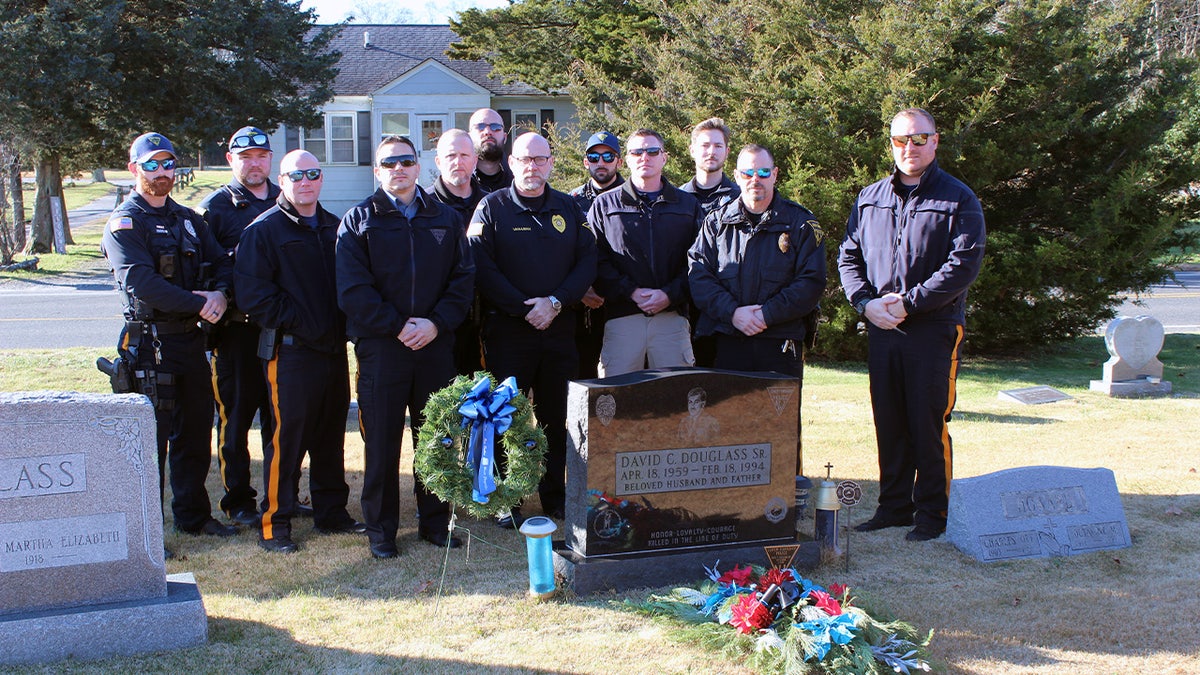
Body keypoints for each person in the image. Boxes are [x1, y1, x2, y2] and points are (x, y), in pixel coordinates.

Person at [837, 108, 986, 542]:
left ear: (935, 141)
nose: (910, 148)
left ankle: (933, 514)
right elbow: (849, 258)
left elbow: (963, 264)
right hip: (882, 326)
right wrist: (865, 304)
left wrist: (909, 303)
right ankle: (894, 506)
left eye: (919, 139)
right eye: (901, 140)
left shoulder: (958, 198)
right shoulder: (870, 197)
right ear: (891, 145)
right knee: (889, 419)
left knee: (927, 421)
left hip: (933, 326)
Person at [337, 135, 475, 558]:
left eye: (406, 161)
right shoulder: (359, 220)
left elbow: (463, 280)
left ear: (419, 167)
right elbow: (353, 291)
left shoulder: (446, 218)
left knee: (436, 439)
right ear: (377, 171)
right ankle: (381, 531)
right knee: (381, 443)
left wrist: (434, 324)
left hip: (434, 346)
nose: (399, 169)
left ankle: (434, 523)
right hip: (384, 349)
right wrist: (398, 327)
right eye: (389, 163)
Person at [101, 132, 238, 548]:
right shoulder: (125, 222)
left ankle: (193, 517)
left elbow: (223, 264)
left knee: (196, 433)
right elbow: (141, 283)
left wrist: (221, 295)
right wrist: (199, 303)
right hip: (148, 346)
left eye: (168, 164)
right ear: (134, 169)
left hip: (190, 345)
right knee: (150, 442)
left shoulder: (190, 221)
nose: (161, 173)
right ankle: (146, 532)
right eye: (151, 165)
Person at [235, 150, 365, 553]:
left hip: (331, 353)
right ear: (282, 180)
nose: (305, 182)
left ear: (321, 179)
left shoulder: (335, 227)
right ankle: (275, 522)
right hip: (291, 354)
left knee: (330, 436)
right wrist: (302, 321)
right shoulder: (265, 230)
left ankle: (331, 513)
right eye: (296, 175)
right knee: (287, 440)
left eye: (312, 174)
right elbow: (253, 295)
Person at [468, 131, 597, 525]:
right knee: (504, 417)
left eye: (540, 159)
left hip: (559, 330)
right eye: (524, 159)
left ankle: (554, 496)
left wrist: (555, 302)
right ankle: (505, 498)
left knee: (558, 418)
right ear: (511, 163)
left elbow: (587, 263)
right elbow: (481, 267)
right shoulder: (490, 209)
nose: (532, 167)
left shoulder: (570, 209)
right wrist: (524, 308)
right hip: (509, 332)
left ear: (551, 164)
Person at [688, 144, 826, 476]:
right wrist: (734, 313)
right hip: (727, 342)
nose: (755, 180)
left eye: (763, 172)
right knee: (726, 424)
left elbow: (810, 282)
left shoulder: (801, 223)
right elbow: (699, 276)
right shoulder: (716, 223)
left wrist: (766, 315)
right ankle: (731, 505)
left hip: (778, 343)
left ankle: (784, 506)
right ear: (737, 176)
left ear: (775, 174)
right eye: (748, 173)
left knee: (780, 426)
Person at [197, 125, 280, 527]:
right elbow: (203, 267)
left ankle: (280, 495)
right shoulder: (215, 208)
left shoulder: (287, 198)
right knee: (236, 420)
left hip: (279, 329)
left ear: (270, 158)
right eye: (245, 157)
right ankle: (238, 500)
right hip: (236, 332)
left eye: (261, 156)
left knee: (280, 418)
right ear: (231, 160)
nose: (254, 163)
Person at [588, 129, 701, 377]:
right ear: (626, 159)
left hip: (672, 318)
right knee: (617, 402)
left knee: (675, 402)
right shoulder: (604, 205)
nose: (644, 157)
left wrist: (669, 295)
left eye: (652, 151)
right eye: (636, 152)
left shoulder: (688, 206)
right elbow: (596, 260)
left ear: (664, 157)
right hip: (622, 317)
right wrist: (630, 291)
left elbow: (699, 263)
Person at [430, 128, 488, 377]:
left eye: (465, 155)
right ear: (438, 161)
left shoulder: (492, 204)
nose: (458, 161)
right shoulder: (424, 207)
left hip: (488, 321)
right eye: (451, 155)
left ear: (475, 160)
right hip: (441, 324)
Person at [569, 131, 625, 379]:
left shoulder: (632, 196)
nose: (600, 162)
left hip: (622, 300)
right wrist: (580, 289)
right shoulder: (570, 201)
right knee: (584, 373)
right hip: (585, 304)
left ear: (619, 161)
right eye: (593, 156)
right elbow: (564, 252)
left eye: (608, 156)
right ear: (585, 162)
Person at [679, 118, 740, 216]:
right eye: (705, 145)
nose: (711, 152)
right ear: (692, 150)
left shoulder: (739, 198)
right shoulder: (678, 199)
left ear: (727, 152)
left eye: (718, 146)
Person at [468, 108, 513, 192]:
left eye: (495, 127)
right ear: (469, 137)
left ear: (505, 137)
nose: (488, 132)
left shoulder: (518, 180)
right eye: (480, 127)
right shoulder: (460, 180)